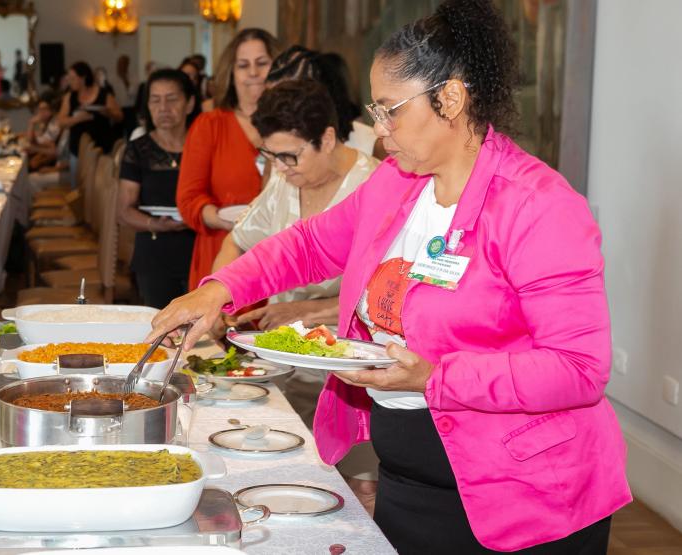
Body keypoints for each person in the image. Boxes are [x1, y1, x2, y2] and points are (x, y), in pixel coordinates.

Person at [148, 0, 631, 552]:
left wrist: (435, 377)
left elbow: (578, 369)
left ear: (450, 98)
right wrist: (221, 288)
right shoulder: (399, 181)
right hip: (409, 480)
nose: (379, 133)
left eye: (389, 110)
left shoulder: (538, 206)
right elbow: (308, 245)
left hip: (528, 497)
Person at [211, 78, 380, 511]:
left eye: (290, 155)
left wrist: (311, 309)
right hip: (285, 364)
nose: (282, 168)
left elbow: (387, 294)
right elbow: (239, 239)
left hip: (351, 372)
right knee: (277, 475)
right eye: (272, 156)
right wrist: (214, 298)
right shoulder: (286, 180)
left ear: (326, 137)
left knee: (360, 492)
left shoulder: (374, 187)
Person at [175, 28, 279, 290]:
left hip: (278, 261)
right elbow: (188, 198)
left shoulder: (290, 126)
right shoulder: (210, 125)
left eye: (262, 63)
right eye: (243, 65)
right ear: (231, 74)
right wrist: (220, 218)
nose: (253, 73)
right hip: (222, 253)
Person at [117, 69, 197, 308]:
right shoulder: (138, 150)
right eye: (155, 99)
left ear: (189, 103)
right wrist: (156, 224)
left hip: (201, 251)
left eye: (172, 99)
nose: (163, 108)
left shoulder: (203, 147)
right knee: (165, 333)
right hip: (155, 253)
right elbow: (124, 210)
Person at [58, 61, 124, 155]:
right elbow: (61, 122)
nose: (70, 82)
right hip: (78, 151)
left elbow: (120, 117)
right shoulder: (69, 97)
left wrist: (108, 113)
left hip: (103, 149)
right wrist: (78, 119)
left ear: (83, 78)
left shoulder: (103, 94)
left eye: (73, 79)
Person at [24, 97, 62, 171]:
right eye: (39, 109)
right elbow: (35, 140)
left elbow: (53, 148)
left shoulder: (55, 125)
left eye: (44, 109)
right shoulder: (48, 123)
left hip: (51, 162)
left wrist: (31, 123)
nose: (40, 112)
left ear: (52, 110)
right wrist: (31, 124)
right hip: (43, 156)